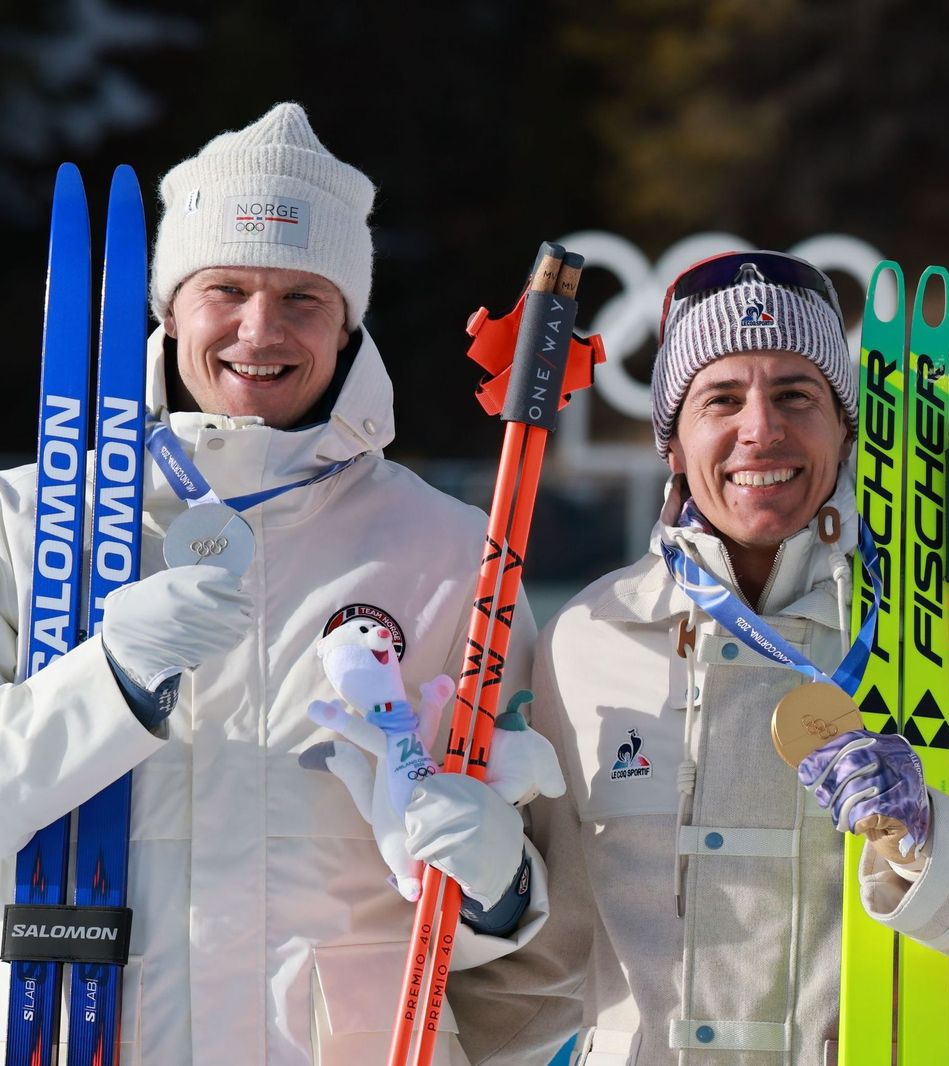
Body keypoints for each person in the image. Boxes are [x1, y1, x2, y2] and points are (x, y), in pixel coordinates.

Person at [446, 250, 949, 1066]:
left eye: (795, 395)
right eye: (720, 398)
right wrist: (478, 898)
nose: (761, 429)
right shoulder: (589, 640)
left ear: (844, 428)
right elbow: (536, 980)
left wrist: (938, 844)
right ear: (671, 441)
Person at [0, 102, 543, 1065]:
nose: (262, 328)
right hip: (80, 1031)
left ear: (347, 327)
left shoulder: (452, 548)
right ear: (168, 310)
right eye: (228, 289)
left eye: (305, 298)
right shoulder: (27, 523)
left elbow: (515, 914)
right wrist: (108, 682)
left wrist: (498, 892)